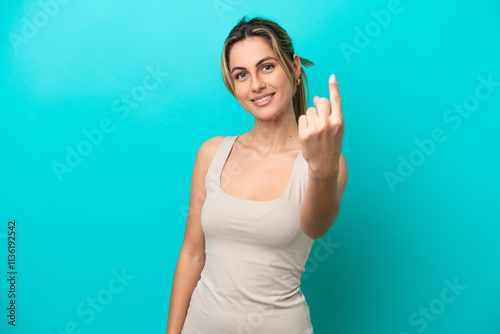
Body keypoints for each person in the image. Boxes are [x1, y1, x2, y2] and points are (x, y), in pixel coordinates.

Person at [166, 15, 348, 334]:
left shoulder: (323, 160)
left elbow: (316, 227)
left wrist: (322, 169)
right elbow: (193, 253)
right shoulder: (212, 153)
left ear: (293, 67)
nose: (256, 85)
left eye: (266, 67)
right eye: (241, 74)